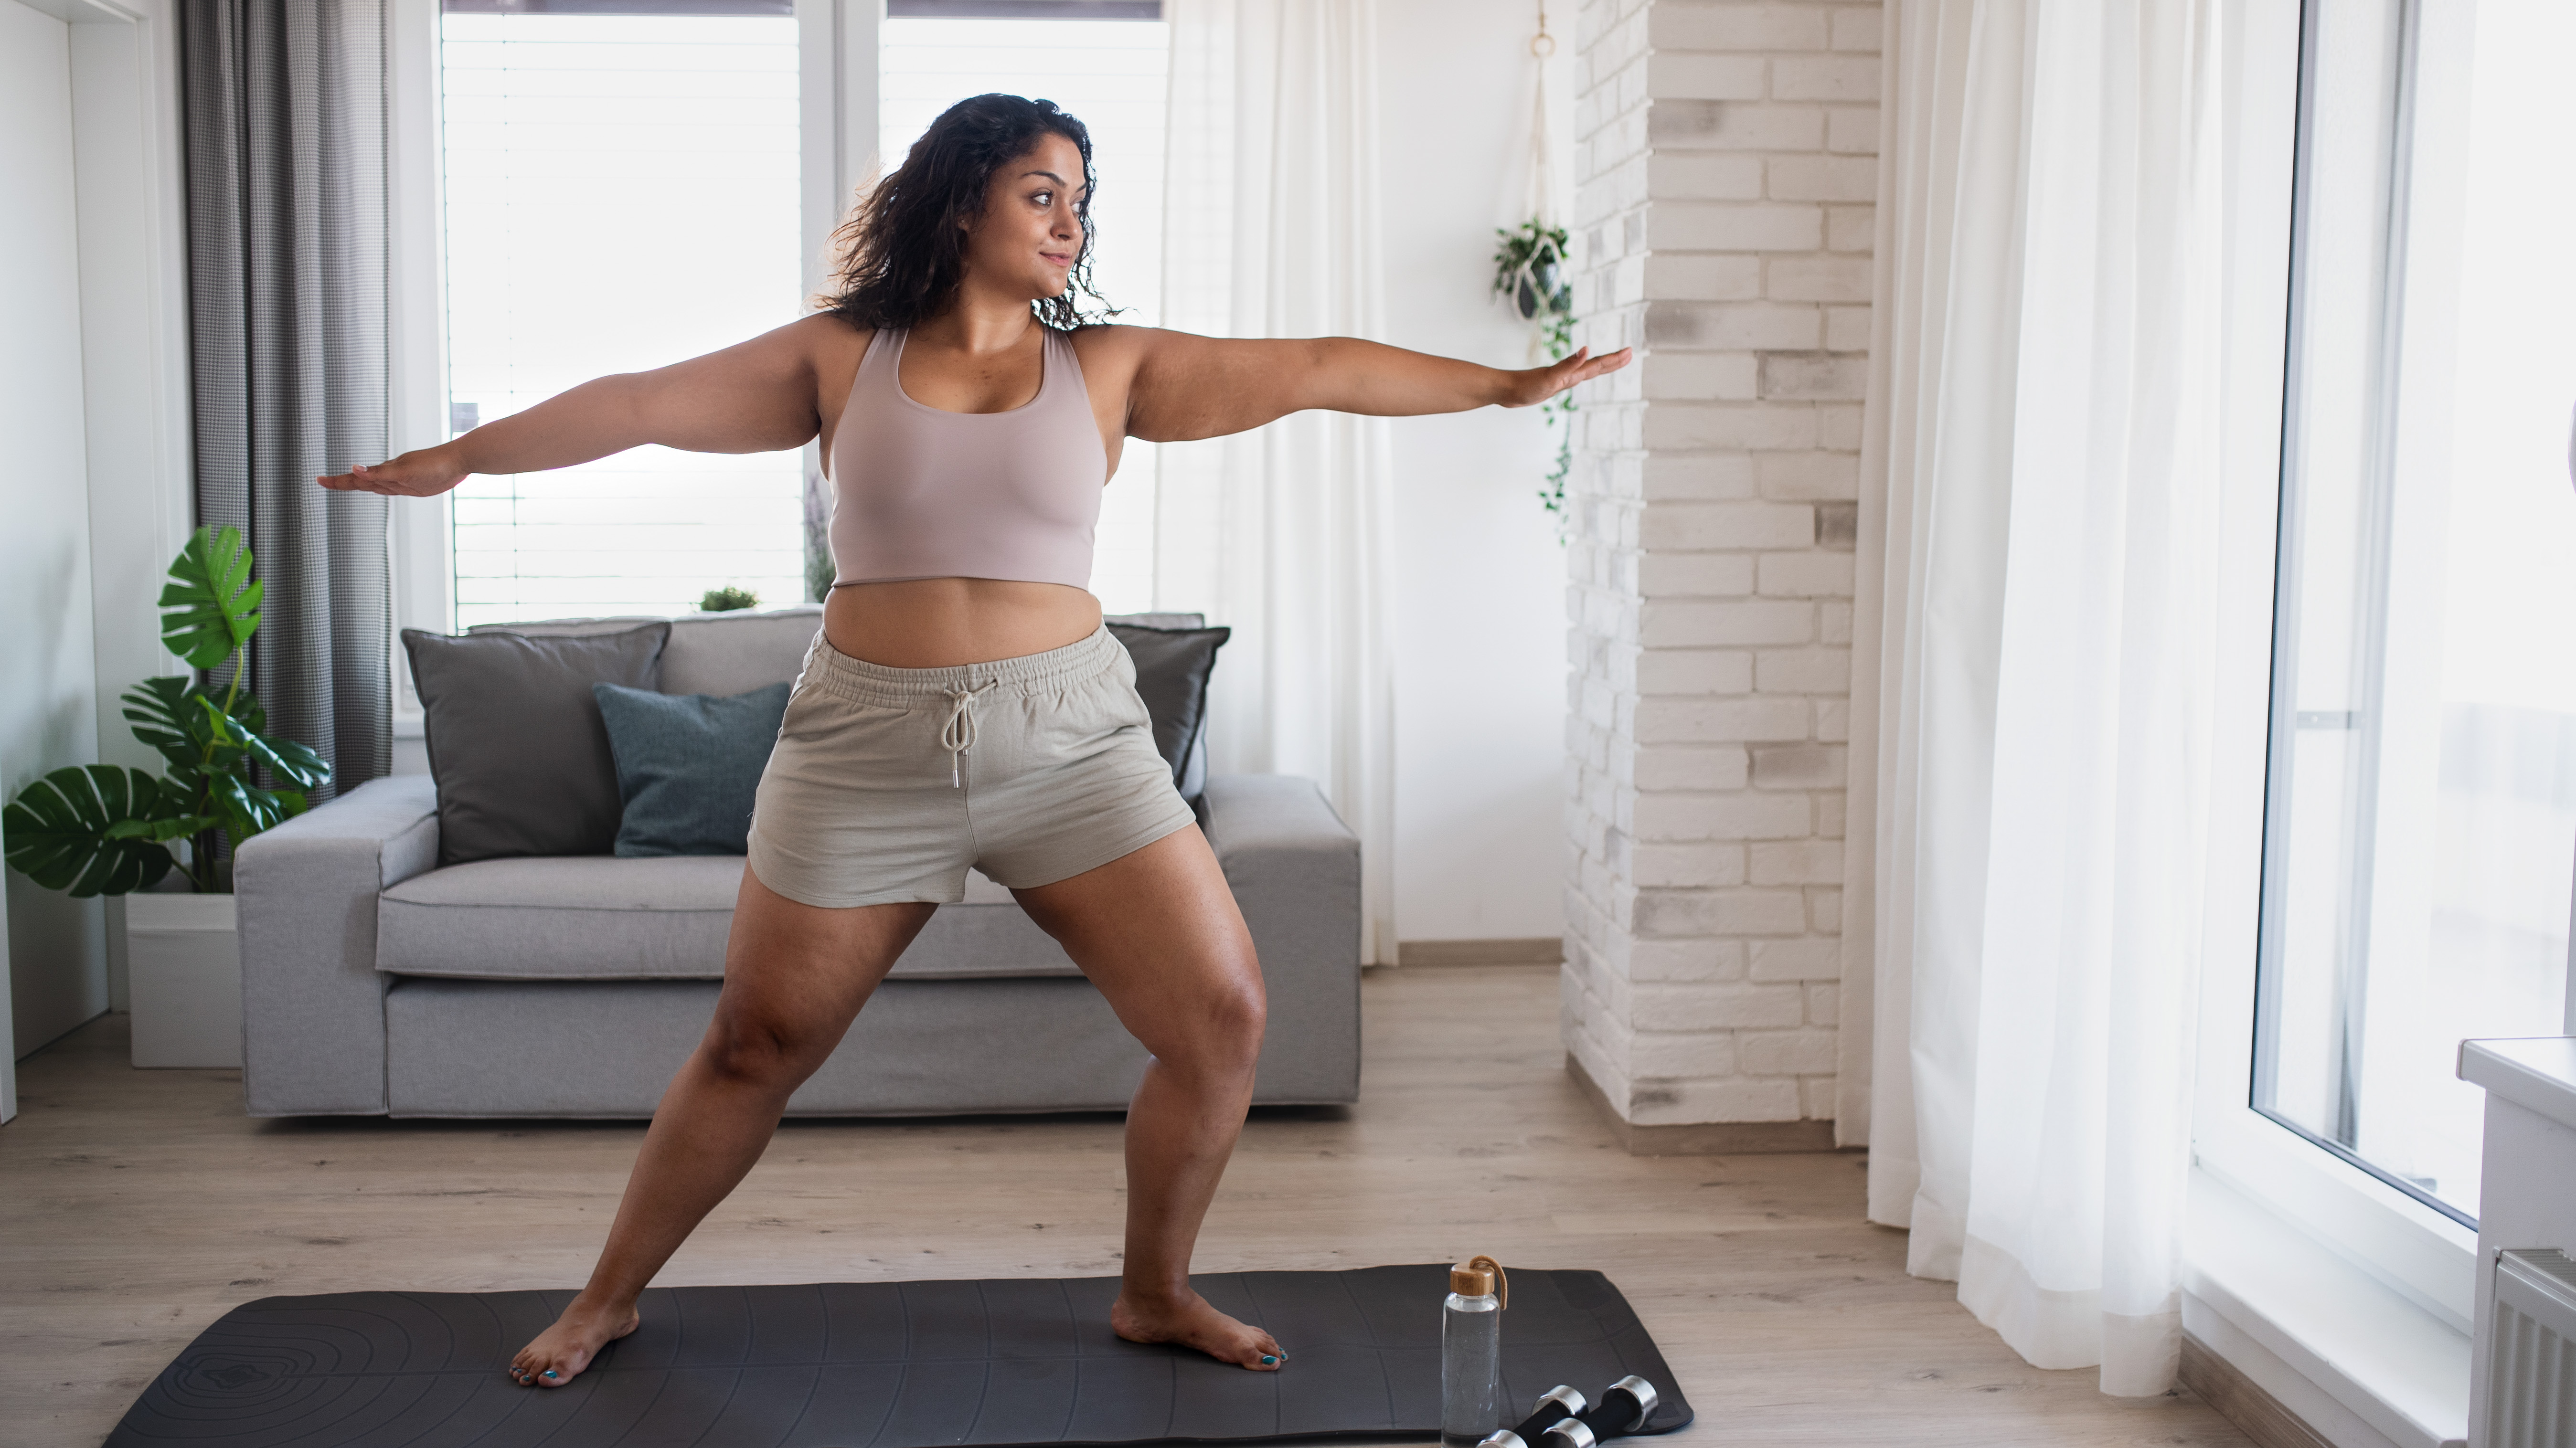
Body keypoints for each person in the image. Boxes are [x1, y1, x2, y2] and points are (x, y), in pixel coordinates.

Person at [320, 93, 1629, 1387]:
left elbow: (1318, 366)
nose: (1070, 221)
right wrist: (464, 458)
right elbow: (641, 403)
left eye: (1080, 199)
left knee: (1222, 1016)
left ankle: (1154, 1290)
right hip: (860, 747)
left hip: (1070, 741)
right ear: (961, 200)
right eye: (1041, 192)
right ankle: (606, 1297)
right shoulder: (843, 355)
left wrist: (1505, 388)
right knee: (754, 1044)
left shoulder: (1105, 366)